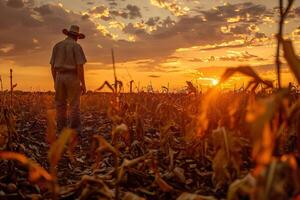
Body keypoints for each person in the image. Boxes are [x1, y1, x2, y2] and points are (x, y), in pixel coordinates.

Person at [50, 25, 87, 135]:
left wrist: (55, 81)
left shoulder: (57, 46)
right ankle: (74, 131)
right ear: (76, 37)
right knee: (74, 104)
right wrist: (83, 84)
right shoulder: (76, 47)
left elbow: (52, 66)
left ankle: (61, 130)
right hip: (72, 76)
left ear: (68, 35)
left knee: (60, 104)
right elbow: (80, 66)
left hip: (59, 76)